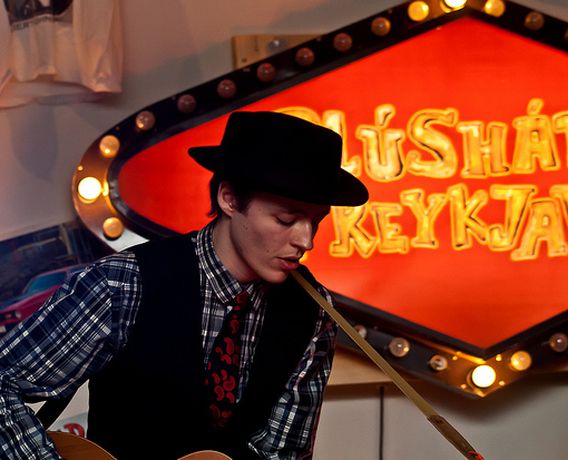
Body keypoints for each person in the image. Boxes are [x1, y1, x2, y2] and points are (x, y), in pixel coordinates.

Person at [0, 111, 369, 459]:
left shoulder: (313, 311)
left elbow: (282, 452)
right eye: (286, 219)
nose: (306, 241)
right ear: (229, 199)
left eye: (317, 221)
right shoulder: (123, 283)